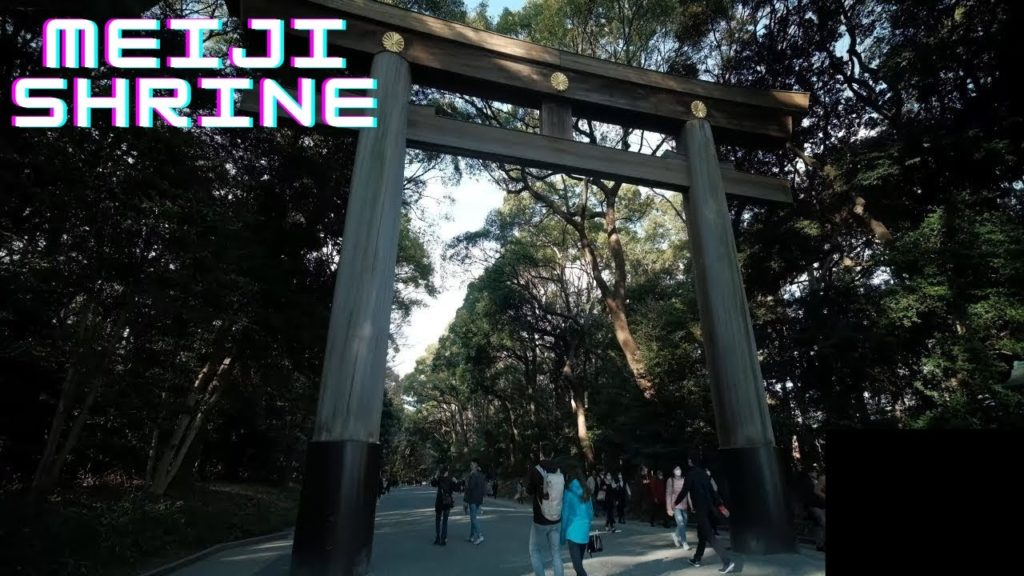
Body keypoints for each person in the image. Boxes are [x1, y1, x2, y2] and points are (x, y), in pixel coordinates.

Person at [674, 451, 735, 573]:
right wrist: (721, 507)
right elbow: (713, 492)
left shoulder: (690, 475)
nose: (688, 461)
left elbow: (684, 491)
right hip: (710, 509)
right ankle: (696, 559)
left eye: (688, 459)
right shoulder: (704, 474)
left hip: (701, 510)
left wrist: (675, 503)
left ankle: (727, 561)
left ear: (691, 461)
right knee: (702, 536)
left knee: (709, 536)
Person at [528, 457, 566, 576]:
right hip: (556, 518)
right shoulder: (558, 470)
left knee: (534, 550)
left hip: (540, 519)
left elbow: (529, 490)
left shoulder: (536, 470)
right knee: (556, 553)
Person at [560, 463, 594, 576]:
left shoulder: (568, 492)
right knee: (579, 565)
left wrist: (562, 535)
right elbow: (591, 513)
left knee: (578, 567)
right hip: (584, 532)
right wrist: (587, 525)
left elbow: (565, 514)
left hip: (572, 532)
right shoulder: (587, 491)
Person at [666, 465, 691, 551]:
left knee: (684, 522)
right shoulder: (670, 480)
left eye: (679, 469)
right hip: (675, 506)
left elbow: (688, 493)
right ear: (673, 471)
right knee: (681, 523)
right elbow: (668, 494)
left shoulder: (684, 479)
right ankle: (684, 542)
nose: (678, 471)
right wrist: (669, 508)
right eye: (676, 469)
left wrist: (691, 505)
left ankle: (676, 535)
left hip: (684, 505)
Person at [464, 459, 487, 544]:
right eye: (470, 464)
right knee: (472, 518)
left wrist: (465, 500)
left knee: (473, 518)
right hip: (478, 499)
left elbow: (470, 487)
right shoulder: (481, 475)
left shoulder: (473, 475)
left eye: (472, 464)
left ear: (476, 466)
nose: (470, 466)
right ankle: (471, 536)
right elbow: (483, 488)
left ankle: (480, 535)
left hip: (472, 499)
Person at [431, 467, 455, 545]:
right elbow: (456, 489)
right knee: (445, 521)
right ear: (447, 472)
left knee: (438, 520)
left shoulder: (439, 479)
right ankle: (443, 539)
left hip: (439, 502)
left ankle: (437, 537)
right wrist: (456, 481)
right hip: (447, 503)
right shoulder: (450, 480)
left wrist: (435, 475)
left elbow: (433, 483)